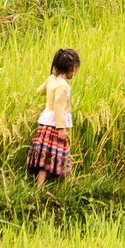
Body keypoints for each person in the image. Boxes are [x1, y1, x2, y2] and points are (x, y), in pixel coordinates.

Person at [28, 48, 81, 186]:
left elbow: (39, 91)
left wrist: (50, 91)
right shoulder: (64, 86)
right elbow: (58, 107)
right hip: (55, 126)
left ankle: (39, 186)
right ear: (73, 69)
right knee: (64, 154)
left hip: (45, 123)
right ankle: (68, 185)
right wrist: (61, 128)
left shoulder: (51, 79)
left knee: (45, 156)